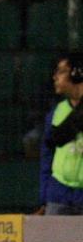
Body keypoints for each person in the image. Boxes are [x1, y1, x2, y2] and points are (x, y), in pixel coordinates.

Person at [37, 53, 83, 215]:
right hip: (58, 196)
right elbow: (47, 154)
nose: (55, 77)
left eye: (61, 71)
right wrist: (45, 197)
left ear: (77, 73)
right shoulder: (57, 112)